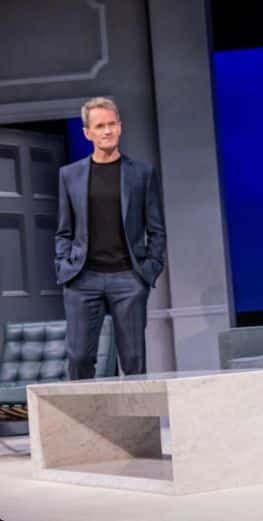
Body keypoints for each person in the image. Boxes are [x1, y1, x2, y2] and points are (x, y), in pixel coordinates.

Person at [55, 97, 166, 379]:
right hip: (82, 278)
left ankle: (137, 411)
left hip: (128, 277)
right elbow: (64, 230)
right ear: (87, 132)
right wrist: (64, 266)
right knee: (79, 357)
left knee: (133, 360)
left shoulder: (141, 173)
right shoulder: (70, 175)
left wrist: (149, 270)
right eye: (100, 126)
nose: (107, 131)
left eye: (112, 124)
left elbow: (156, 229)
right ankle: (84, 410)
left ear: (120, 126)